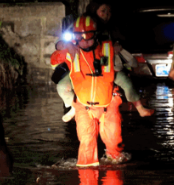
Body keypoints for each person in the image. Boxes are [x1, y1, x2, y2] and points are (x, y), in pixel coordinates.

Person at [51, 16, 154, 167]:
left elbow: (131, 63)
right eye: (80, 37)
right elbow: (53, 60)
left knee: (114, 145)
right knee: (86, 144)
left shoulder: (108, 47)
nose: (84, 41)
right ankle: (86, 175)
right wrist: (65, 45)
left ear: (96, 35)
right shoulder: (70, 51)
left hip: (109, 103)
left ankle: (116, 168)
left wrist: (120, 49)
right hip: (83, 106)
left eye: (89, 37)